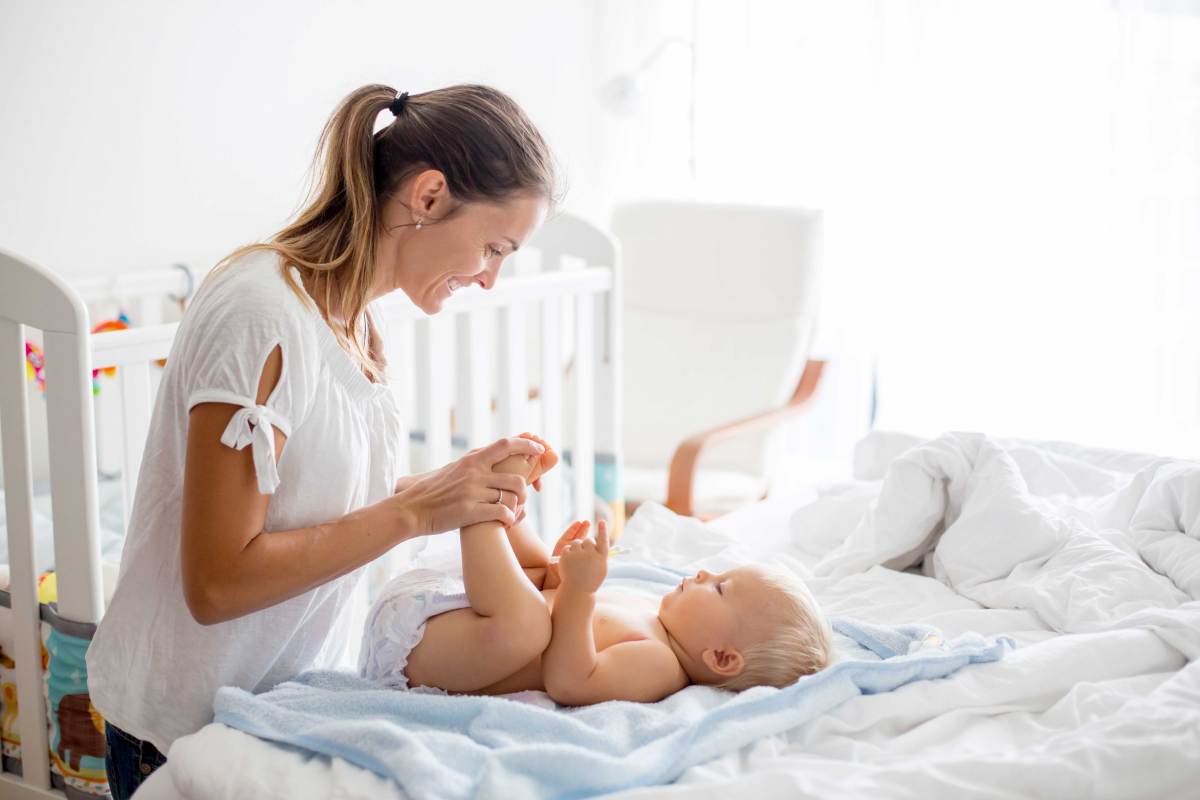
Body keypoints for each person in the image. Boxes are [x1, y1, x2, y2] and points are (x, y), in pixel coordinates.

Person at [86, 82, 561, 799]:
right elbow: (217, 582)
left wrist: (454, 488)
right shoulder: (262, 313)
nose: (492, 278)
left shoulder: (357, 324)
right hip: (180, 731)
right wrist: (419, 513)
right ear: (429, 197)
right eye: (494, 247)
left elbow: (311, 506)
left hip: (277, 713)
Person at [360, 436, 834, 704]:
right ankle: (504, 501)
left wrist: (580, 594)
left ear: (722, 658)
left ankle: (480, 508)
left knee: (526, 626)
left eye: (722, 589)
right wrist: (561, 575)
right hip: (449, 612)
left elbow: (570, 679)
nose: (706, 575)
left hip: (428, 657)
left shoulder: (660, 665)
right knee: (534, 575)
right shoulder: (648, 609)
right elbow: (551, 601)